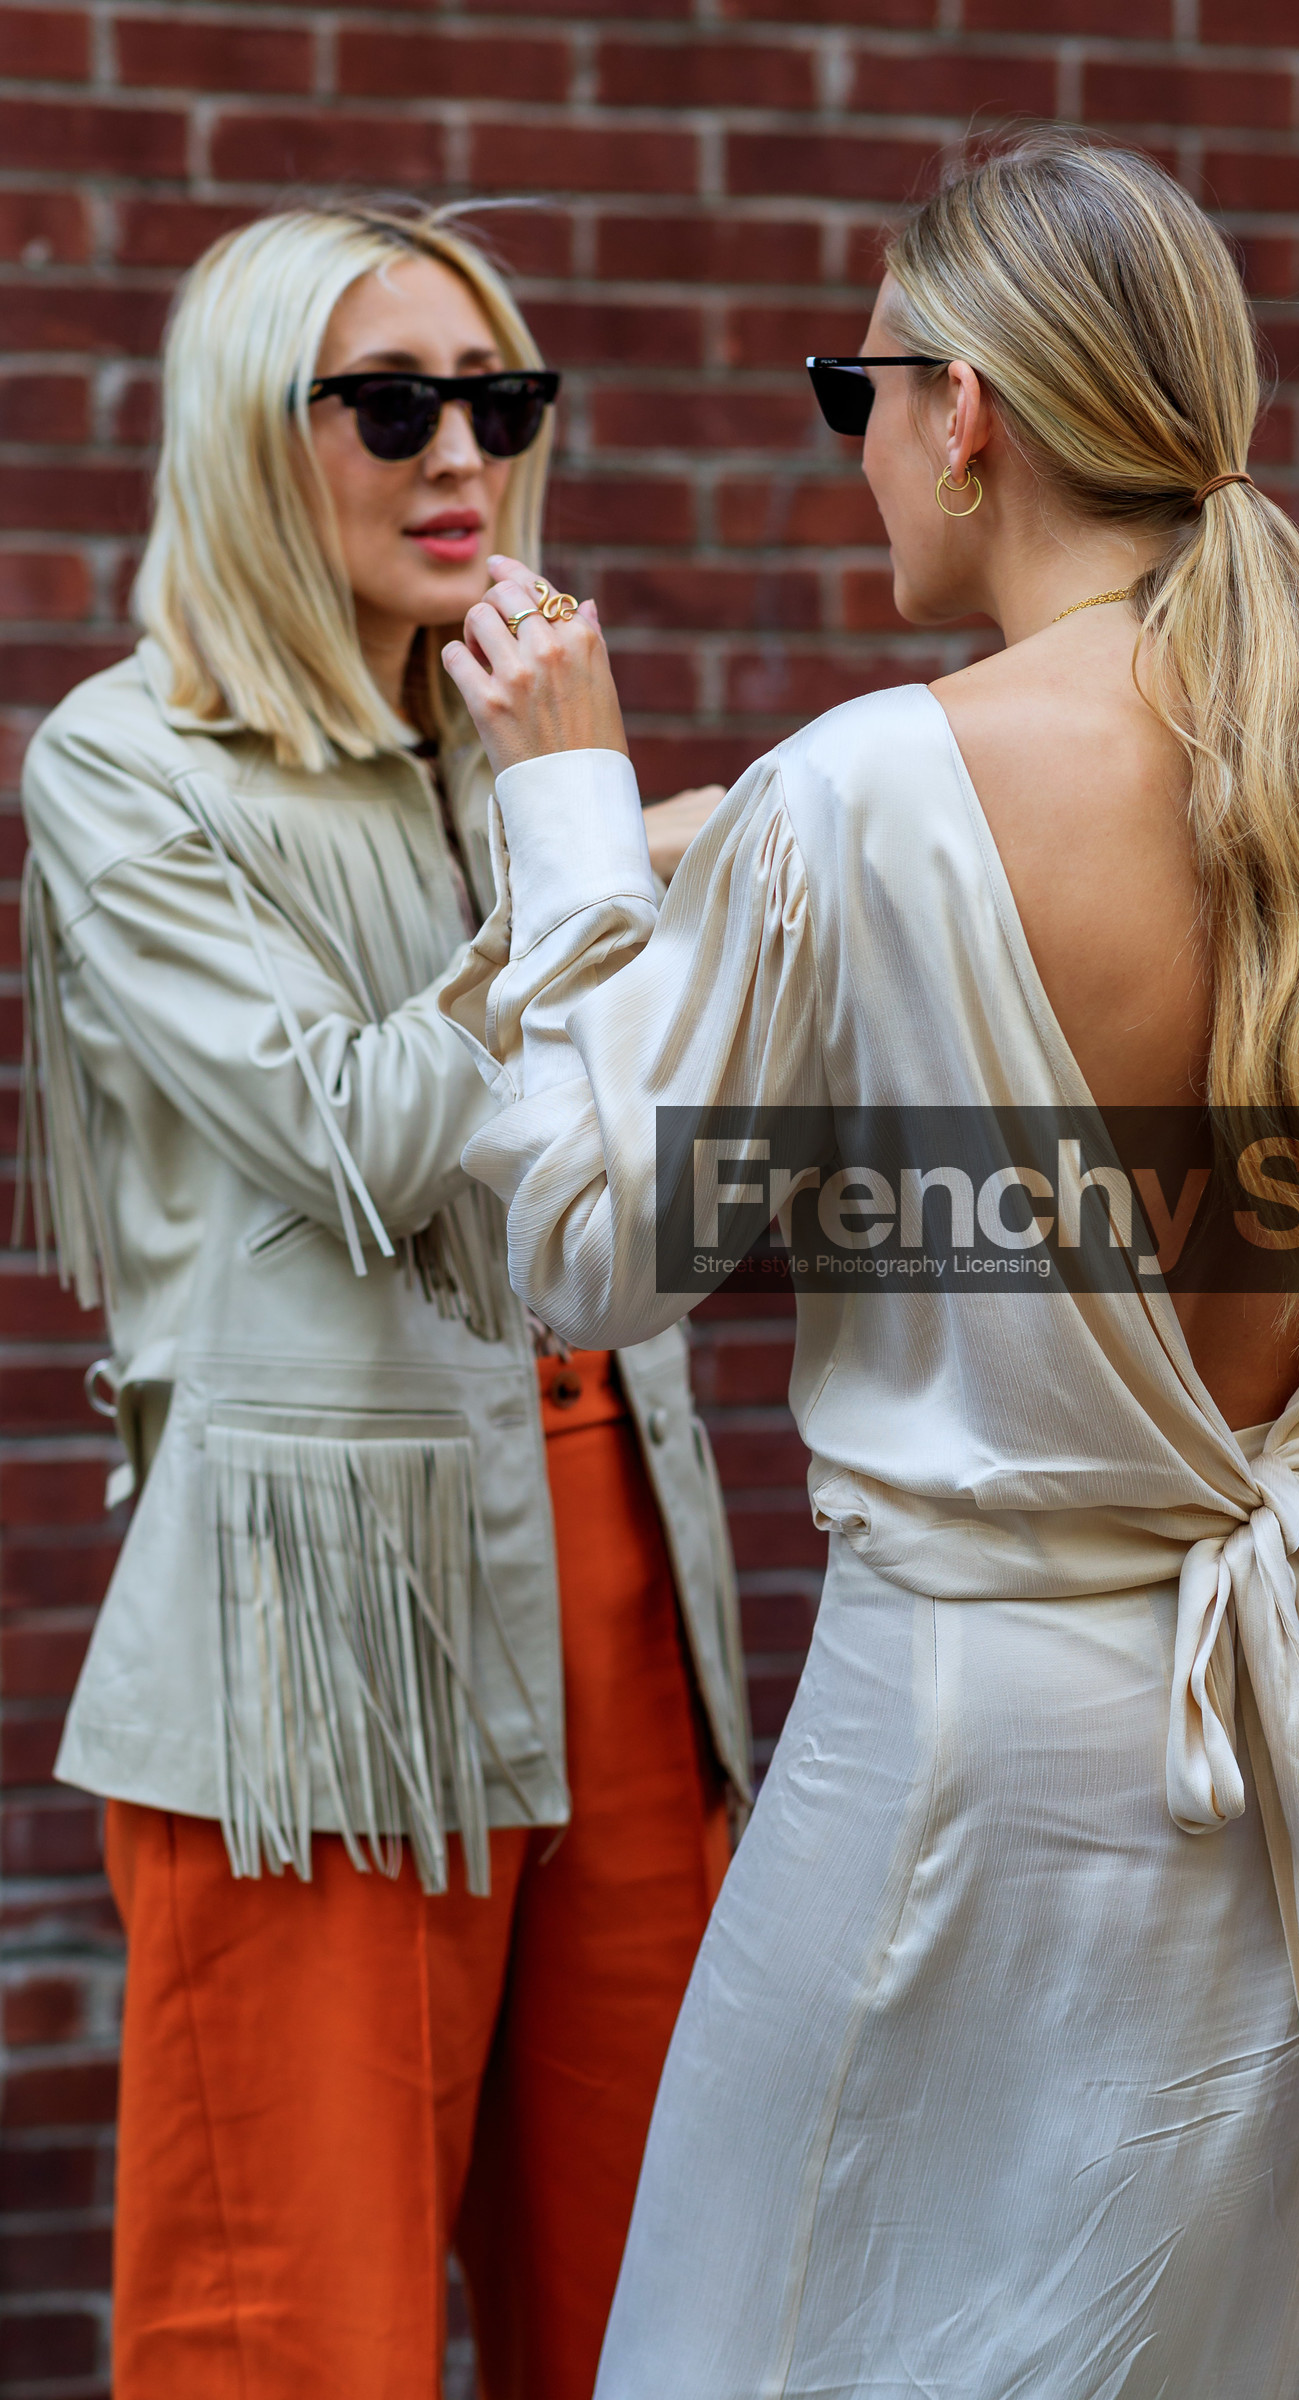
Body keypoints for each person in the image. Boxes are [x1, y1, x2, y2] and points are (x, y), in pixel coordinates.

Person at [439, 135, 1299, 2400]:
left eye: (850, 392)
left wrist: (568, 815)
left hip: (976, 1783)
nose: (851, 448)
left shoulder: (869, 791)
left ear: (966, 414)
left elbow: (583, 1248)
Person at [19, 202, 747, 2400]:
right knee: (289, 2341)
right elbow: (344, 1132)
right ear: (253, 433)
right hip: (326, 1629)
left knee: (645, 2308)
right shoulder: (128, 764)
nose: (462, 457)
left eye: (499, 403)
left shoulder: (497, 742)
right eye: (394, 403)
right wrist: (587, 848)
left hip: (624, 1574)